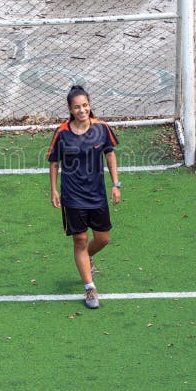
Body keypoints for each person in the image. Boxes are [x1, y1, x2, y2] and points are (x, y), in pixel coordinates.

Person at [47, 85, 121, 309]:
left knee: (103, 239)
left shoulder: (101, 128)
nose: (82, 110)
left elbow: (110, 154)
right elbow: (54, 162)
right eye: (77, 107)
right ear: (70, 109)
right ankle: (90, 288)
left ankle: (85, 260)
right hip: (72, 196)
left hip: (96, 194)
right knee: (79, 240)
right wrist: (53, 189)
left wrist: (116, 184)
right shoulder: (62, 132)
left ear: (90, 106)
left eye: (85, 105)